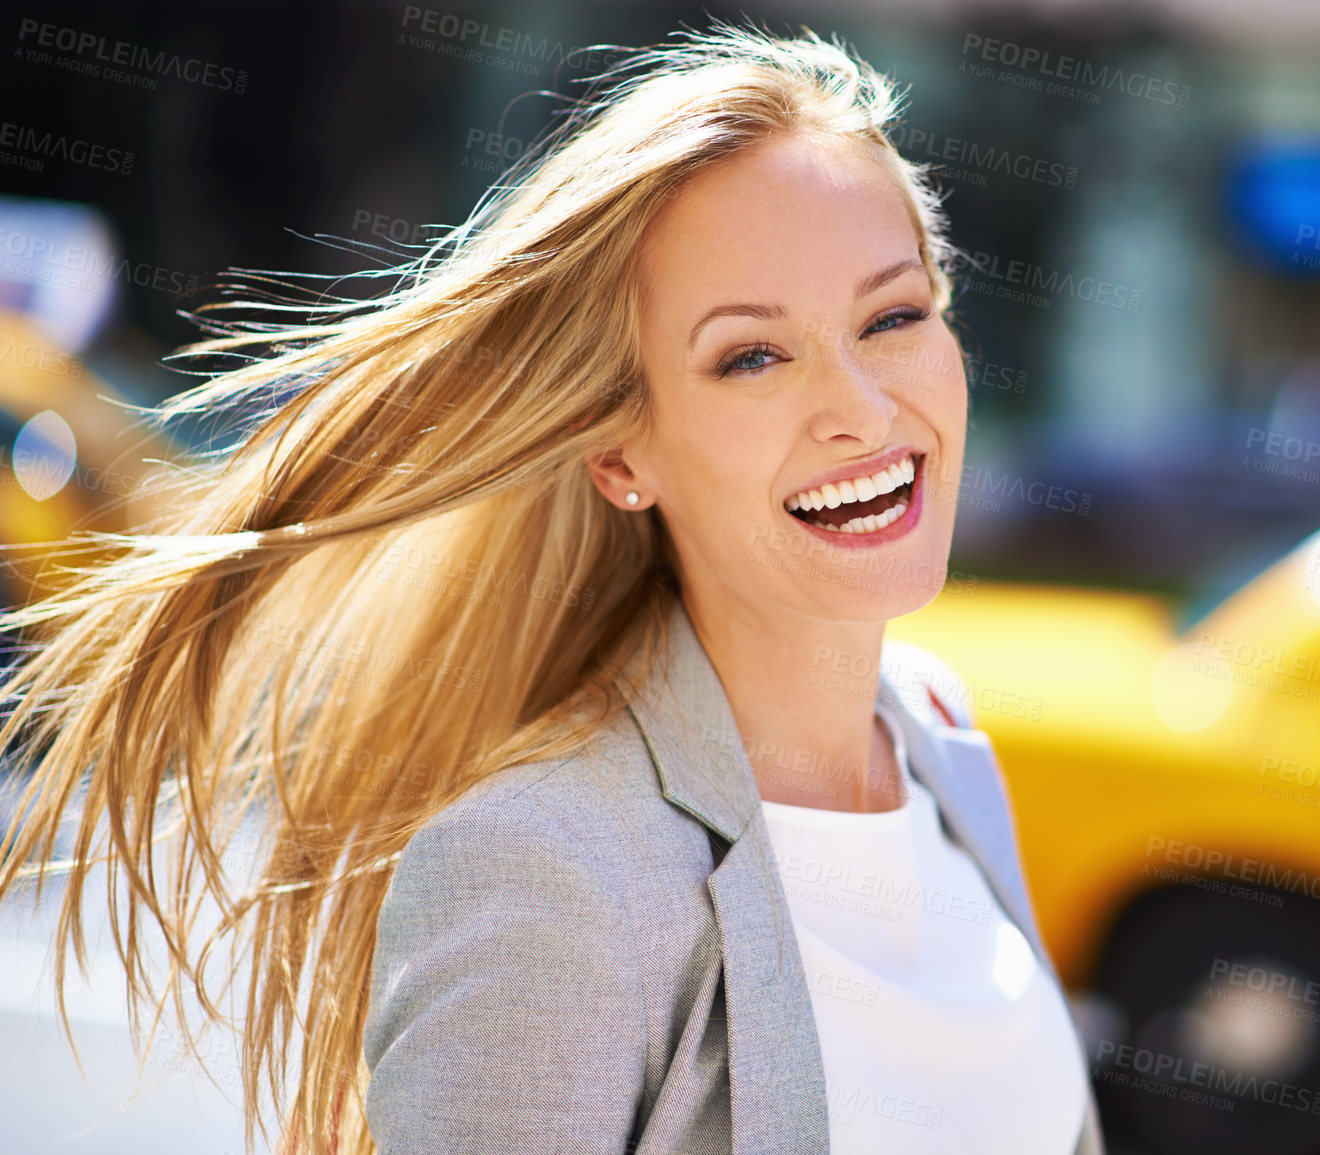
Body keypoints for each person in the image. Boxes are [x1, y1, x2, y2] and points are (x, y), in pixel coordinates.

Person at [0, 22, 1102, 1154]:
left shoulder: (935, 732)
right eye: (751, 357)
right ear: (622, 454)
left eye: (894, 316)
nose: (865, 410)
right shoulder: (544, 866)